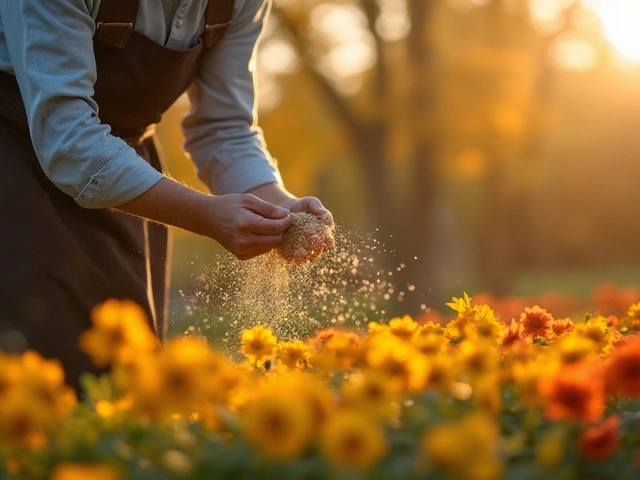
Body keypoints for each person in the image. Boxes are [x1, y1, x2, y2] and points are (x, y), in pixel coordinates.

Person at [0, 0, 331, 391]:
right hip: (15, 166)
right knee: (32, 367)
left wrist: (280, 206)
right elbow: (68, 138)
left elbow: (224, 127)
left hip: (129, 182)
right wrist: (204, 215)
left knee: (126, 379)